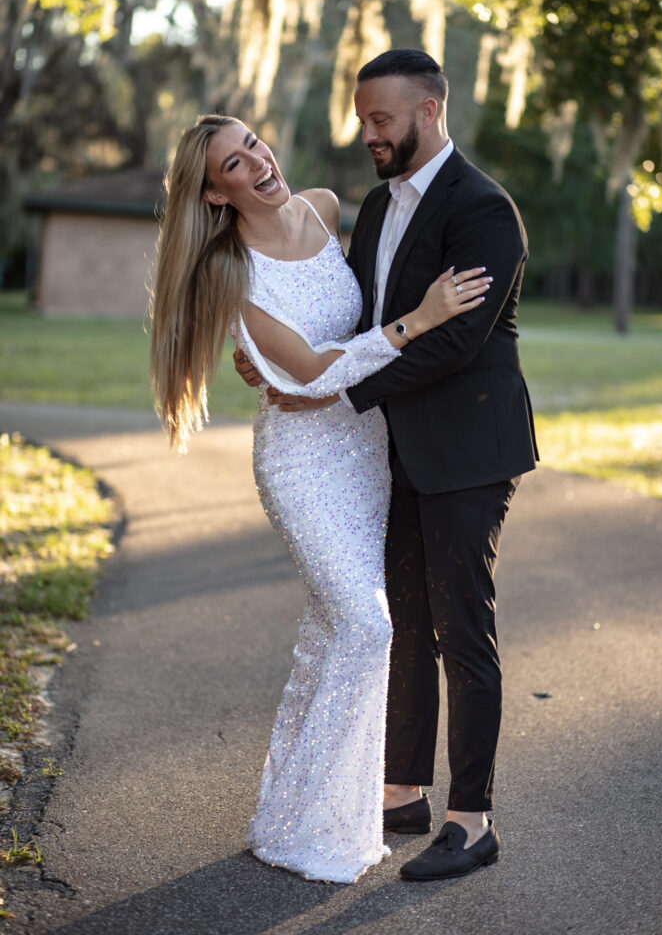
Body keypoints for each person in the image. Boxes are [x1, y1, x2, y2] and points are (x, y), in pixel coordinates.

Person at [148, 113, 490, 883]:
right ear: (212, 192)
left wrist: (353, 351)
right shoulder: (226, 269)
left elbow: (346, 335)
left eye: (255, 145)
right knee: (368, 627)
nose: (258, 164)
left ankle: (291, 811)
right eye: (233, 165)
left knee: (329, 634)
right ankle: (322, 825)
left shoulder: (328, 208)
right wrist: (421, 319)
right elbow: (305, 368)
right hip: (301, 463)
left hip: (367, 452)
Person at [239, 49, 538, 882]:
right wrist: (272, 364)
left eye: (381, 119)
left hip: (467, 449)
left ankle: (471, 819)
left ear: (429, 112)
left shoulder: (483, 209)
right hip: (391, 451)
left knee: (460, 629)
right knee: (401, 622)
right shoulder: (373, 207)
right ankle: (401, 790)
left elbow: (453, 340)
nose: (367, 132)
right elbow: (365, 321)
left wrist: (334, 399)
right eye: (362, 117)